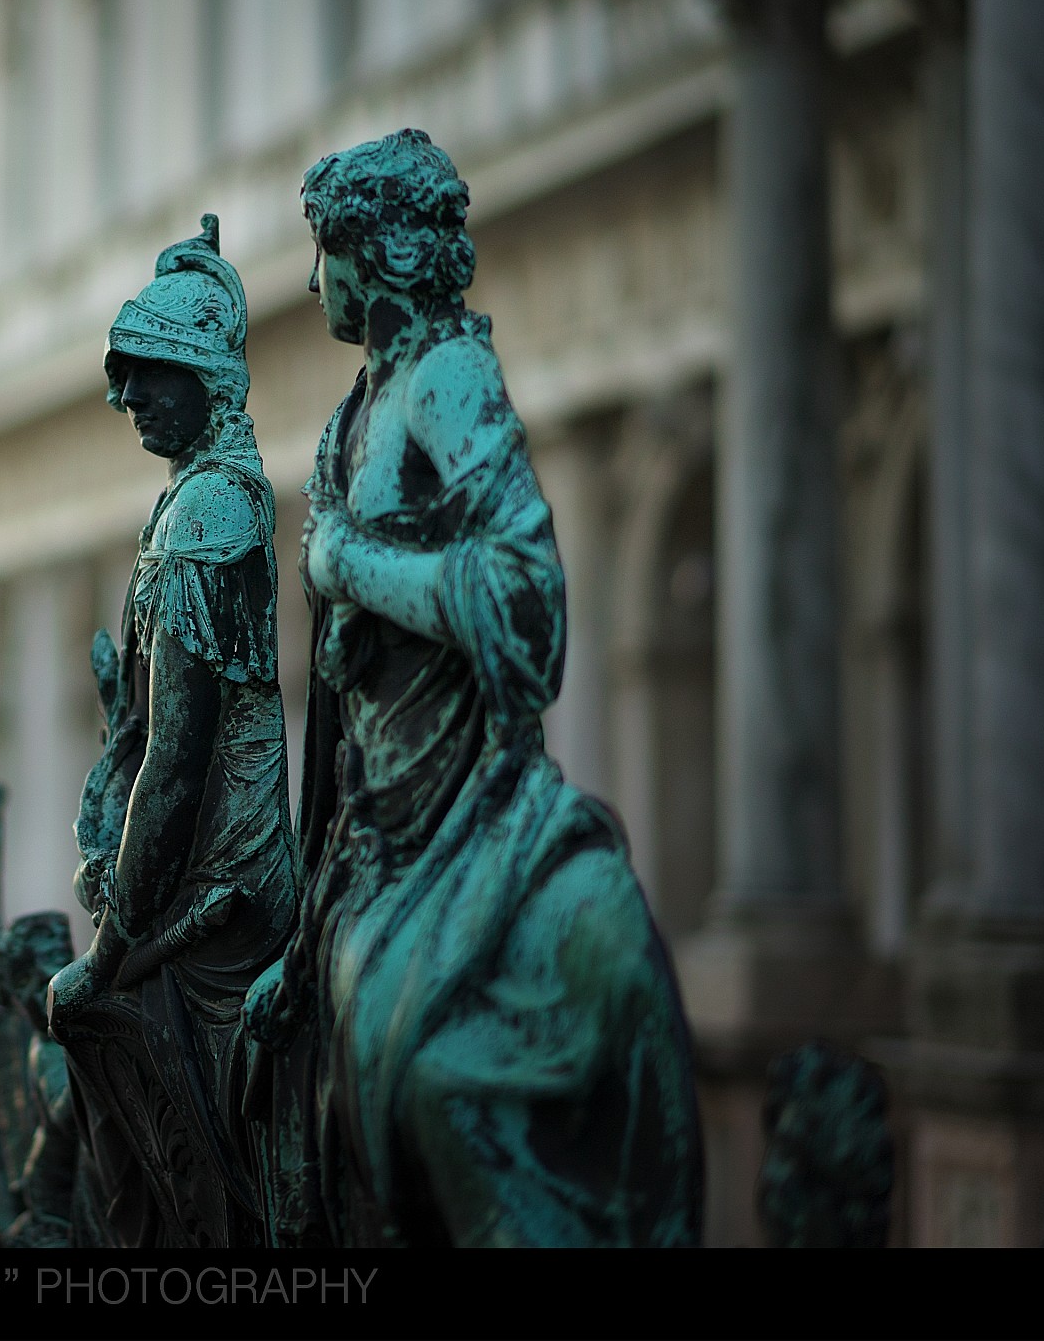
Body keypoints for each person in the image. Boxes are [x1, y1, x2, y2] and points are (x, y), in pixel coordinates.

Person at [243, 129, 703, 1246]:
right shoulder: (362, 405)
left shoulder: (448, 375)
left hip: (466, 812)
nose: (312, 285)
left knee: (426, 1087)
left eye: (328, 255)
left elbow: (526, 598)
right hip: (380, 827)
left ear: (379, 251)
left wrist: (352, 566)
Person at [48, 215, 302, 1246]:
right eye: (125, 372)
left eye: (150, 371)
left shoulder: (210, 515)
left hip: (220, 901)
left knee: (81, 1014)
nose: (127, 395)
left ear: (209, 379)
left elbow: (178, 761)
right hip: (188, 882)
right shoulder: (190, 500)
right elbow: (147, 730)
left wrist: (110, 955)